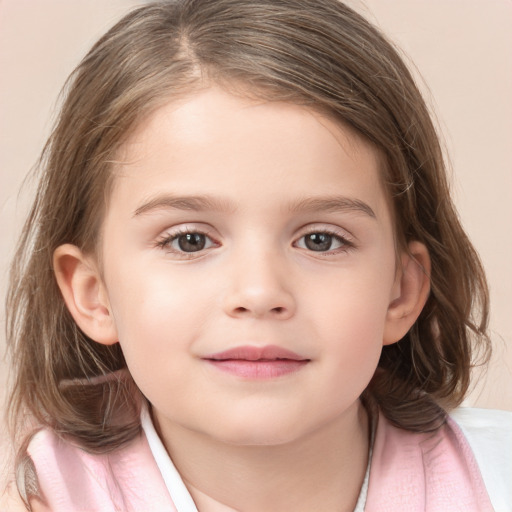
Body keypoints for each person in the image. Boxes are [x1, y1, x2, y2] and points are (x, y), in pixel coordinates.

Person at [3, 0, 511, 510]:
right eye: (190, 240)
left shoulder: (496, 477)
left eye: (320, 239)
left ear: (399, 291)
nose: (259, 292)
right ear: (94, 294)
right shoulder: (45, 497)